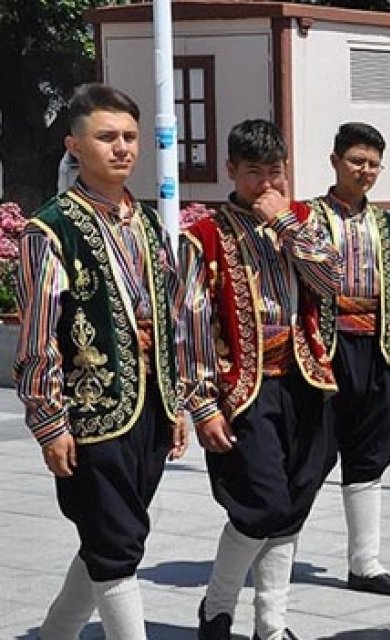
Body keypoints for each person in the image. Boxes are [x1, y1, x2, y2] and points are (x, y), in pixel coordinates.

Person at [16, 83, 187, 640]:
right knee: (115, 544)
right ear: (74, 145)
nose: (122, 148)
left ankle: (55, 633)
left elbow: (169, 319)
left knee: (114, 533)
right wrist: (49, 421)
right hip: (91, 412)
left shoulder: (146, 225)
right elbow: (39, 333)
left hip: (149, 405)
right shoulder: (51, 228)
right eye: (107, 137)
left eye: (130, 137)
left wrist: (177, 400)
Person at [178, 119, 343, 640]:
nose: (267, 186)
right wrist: (203, 405)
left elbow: (333, 280)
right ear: (231, 171)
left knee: (293, 506)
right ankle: (217, 606)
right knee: (261, 505)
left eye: (276, 172)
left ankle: (270, 625)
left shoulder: (303, 222)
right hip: (243, 388)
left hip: (305, 380)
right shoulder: (204, 235)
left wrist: (288, 227)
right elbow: (188, 323)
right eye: (254, 174)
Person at [307, 122, 390, 596]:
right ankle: (276, 543)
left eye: (373, 164)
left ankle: (365, 563)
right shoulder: (309, 217)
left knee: (371, 455)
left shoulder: (386, 223)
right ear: (335, 161)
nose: (365, 171)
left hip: (377, 349)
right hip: (327, 352)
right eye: (357, 161)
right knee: (312, 454)